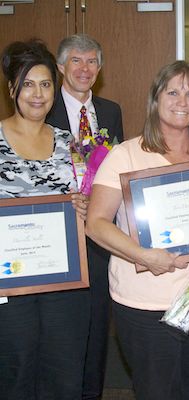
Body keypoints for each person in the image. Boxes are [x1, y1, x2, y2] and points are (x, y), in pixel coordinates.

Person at [86, 60, 189, 400]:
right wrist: (142, 254)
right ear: (155, 99)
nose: (182, 102)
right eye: (172, 92)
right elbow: (96, 223)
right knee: (156, 391)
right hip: (145, 304)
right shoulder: (125, 156)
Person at [0, 40, 90, 399]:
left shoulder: (72, 144)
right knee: (15, 372)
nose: (37, 94)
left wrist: (82, 207)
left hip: (65, 281)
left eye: (46, 84)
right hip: (10, 285)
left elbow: (85, 197)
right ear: (11, 89)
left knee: (64, 374)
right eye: (27, 84)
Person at [46, 33, 124, 400]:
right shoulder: (42, 109)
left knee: (96, 324)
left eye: (92, 60)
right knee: (59, 327)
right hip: (57, 234)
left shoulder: (111, 112)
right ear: (60, 67)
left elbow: (119, 173)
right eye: (76, 60)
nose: (84, 68)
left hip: (98, 235)